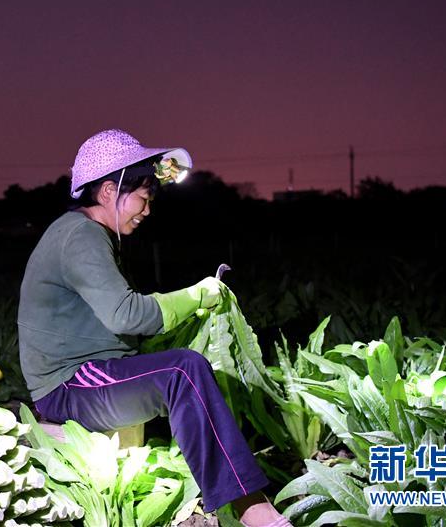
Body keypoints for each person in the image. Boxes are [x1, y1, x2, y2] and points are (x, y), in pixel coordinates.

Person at [17, 129, 291, 527]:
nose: (146, 210)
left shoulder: (83, 233)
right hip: (69, 386)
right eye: (143, 199)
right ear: (109, 191)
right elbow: (127, 315)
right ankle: (252, 510)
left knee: (183, 374)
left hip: (88, 375)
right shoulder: (81, 237)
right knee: (183, 371)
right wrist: (197, 295)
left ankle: (230, 492)